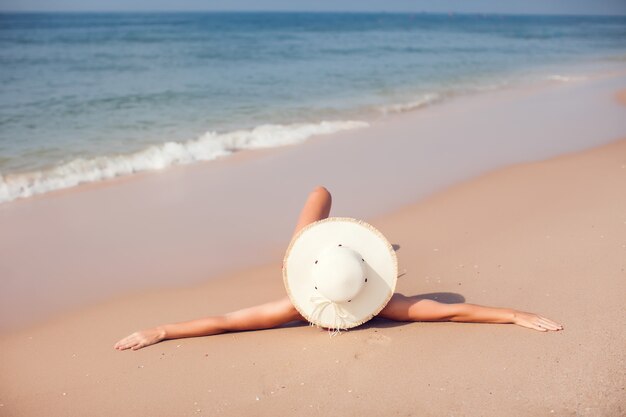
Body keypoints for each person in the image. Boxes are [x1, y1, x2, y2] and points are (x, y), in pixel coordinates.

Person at [114, 186, 563, 351]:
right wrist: (510, 314)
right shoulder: (386, 306)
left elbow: (228, 323)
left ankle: (342, 231)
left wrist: (513, 316)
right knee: (319, 195)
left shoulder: (296, 307)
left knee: (318, 203)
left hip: (338, 265)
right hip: (309, 260)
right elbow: (448, 311)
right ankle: (327, 209)